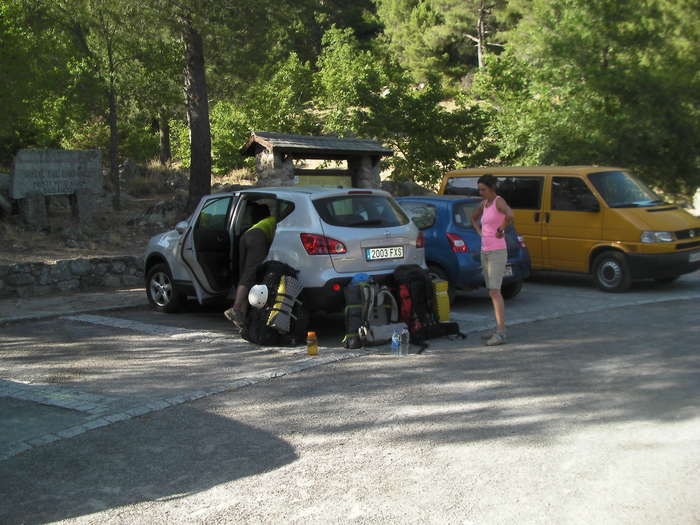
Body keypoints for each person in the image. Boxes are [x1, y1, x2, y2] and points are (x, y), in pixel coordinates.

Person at [471, 174, 514, 346]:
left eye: (483, 189)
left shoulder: (498, 201)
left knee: (495, 291)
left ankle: (501, 332)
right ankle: (498, 327)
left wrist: (501, 228)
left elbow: (511, 215)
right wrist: (480, 232)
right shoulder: (484, 204)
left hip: (497, 251)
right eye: (479, 189)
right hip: (485, 251)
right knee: (491, 291)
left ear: (492, 188)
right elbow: (473, 218)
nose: (481, 192)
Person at [224, 202, 276, 328]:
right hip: (257, 237)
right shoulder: (278, 221)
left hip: (246, 235)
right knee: (252, 273)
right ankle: (236, 308)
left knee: (246, 275)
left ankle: (242, 316)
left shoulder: (264, 222)